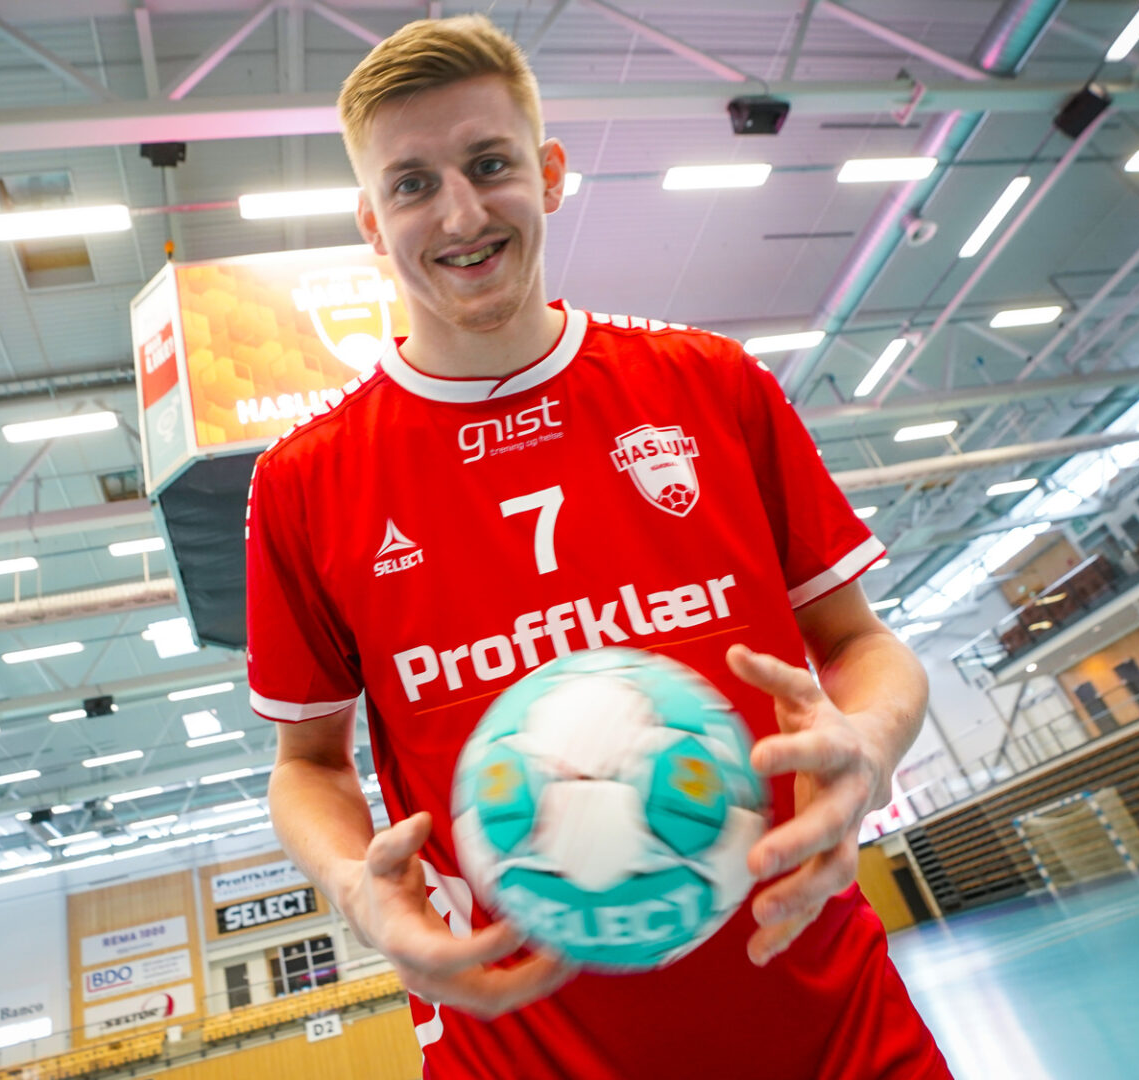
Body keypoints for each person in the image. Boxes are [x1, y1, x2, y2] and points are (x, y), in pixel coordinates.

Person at [248, 15, 948, 1079]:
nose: (462, 214)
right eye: (413, 184)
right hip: (520, 1052)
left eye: (490, 164)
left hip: (836, 1029)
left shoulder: (710, 385)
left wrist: (871, 742)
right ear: (371, 222)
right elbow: (307, 764)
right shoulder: (305, 482)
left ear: (550, 173)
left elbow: (860, 644)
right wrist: (355, 886)